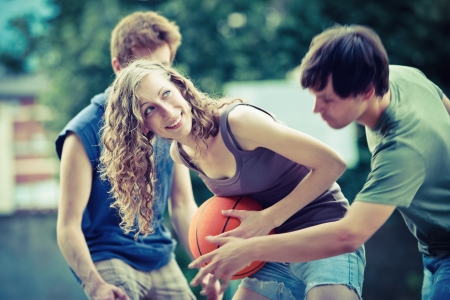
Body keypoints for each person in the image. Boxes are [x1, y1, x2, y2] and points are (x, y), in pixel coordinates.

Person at [188, 24, 450, 299]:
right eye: (314, 96)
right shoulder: (402, 76)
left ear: (367, 92)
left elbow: (348, 235)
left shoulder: (400, 150)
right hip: (433, 248)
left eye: (327, 99)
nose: (316, 109)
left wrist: (251, 248)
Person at [99, 59, 367, 300]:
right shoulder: (182, 154)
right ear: (141, 127)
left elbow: (332, 164)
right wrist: (220, 266)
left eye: (166, 94)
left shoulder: (239, 122)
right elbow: (236, 208)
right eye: (149, 110)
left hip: (324, 233)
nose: (167, 111)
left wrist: (269, 219)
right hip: (269, 251)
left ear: (180, 86)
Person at [55, 11, 220, 300]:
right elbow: (68, 225)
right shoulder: (82, 132)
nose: (153, 77)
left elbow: (181, 204)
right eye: (145, 66)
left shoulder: (169, 120)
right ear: (118, 67)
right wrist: (94, 285)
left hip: (160, 255)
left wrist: (206, 263)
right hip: (109, 256)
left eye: (163, 66)